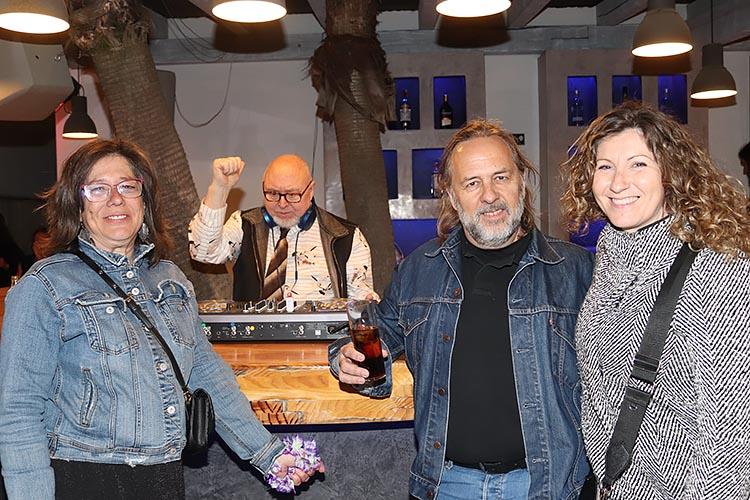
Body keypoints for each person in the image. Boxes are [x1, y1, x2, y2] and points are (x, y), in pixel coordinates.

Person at [0, 140, 324, 499]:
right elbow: (18, 412)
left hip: (165, 477)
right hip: (84, 478)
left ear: (144, 201)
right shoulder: (45, 286)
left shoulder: (171, 280)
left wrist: (268, 455)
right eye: (98, 189)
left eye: (128, 186)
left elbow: (207, 376)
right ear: (76, 206)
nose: (116, 199)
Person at [330, 119, 594, 500]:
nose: (489, 195)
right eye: (472, 183)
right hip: (447, 485)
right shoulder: (419, 270)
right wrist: (346, 358)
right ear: (453, 198)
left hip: (548, 487)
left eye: (501, 177)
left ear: (521, 182)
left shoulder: (574, 269)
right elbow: (374, 333)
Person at [560, 101, 750, 498]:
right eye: (605, 166)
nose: (618, 183)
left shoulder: (717, 265)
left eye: (638, 164)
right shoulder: (612, 255)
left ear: (672, 172)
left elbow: (731, 435)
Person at [189, 154, 376, 301]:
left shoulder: (346, 236)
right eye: (273, 193)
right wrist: (219, 188)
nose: (282, 204)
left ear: (311, 191)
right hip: (255, 337)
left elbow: (361, 304)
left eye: (293, 195)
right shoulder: (244, 225)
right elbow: (203, 253)